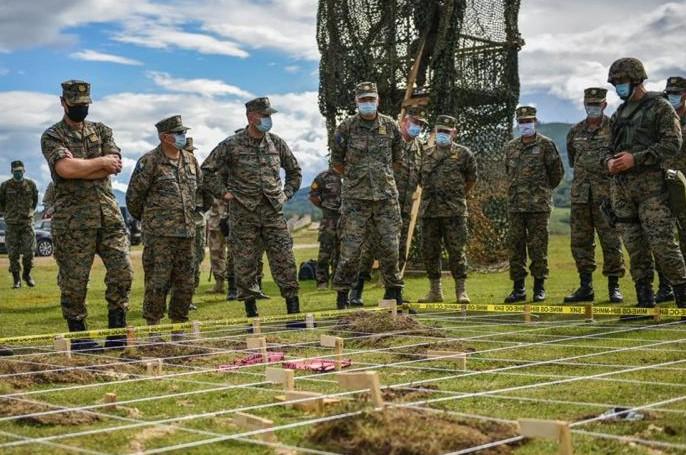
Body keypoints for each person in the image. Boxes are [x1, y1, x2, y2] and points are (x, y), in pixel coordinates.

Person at [40, 80, 133, 351]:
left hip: (109, 216)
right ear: (63, 102)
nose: (81, 109)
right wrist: (98, 163)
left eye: (85, 105)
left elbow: (113, 165)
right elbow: (65, 169)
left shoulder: (102, 130)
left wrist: (89, 166)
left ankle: (116, 330)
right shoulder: (52, 135)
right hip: (73, 221)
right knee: (74, 281)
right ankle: (80, 336)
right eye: (76, 105)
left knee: (123, 272)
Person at [202, 97, 302, 317]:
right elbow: (206, 171)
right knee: (245, 264)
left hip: (273, 212)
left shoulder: (277, 143)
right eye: (264, 115)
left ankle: (294, 313)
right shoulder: (231, 144)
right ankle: (251, 314)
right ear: (250, 116)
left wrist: (286, 194)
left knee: (285, 260)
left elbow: (294, 171)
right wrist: (223, 193)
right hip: (243, 213)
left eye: (269, 116)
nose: (268, 119)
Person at [606, 58, 686, 309]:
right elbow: (608, 148)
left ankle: (683, 301)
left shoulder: (659, 107)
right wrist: (609, 162)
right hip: (623, 191)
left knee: (663, 245)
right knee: (635, 248)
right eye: (615, 82)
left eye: (622, 81)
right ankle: (644, 301)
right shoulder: (618, 114)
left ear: (637, 80)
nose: (619, 86)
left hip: (653, 191)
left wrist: (636, 159)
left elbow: (672, 143)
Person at [331, 82, 405, 309]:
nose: (367, 103)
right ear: (356, 102)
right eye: (363, 100)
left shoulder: (390, 126)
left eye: (370, 99)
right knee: (350, 251)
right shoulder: (346, 128)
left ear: (378, 100)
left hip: (385, 199)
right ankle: (343, 296)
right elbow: (336, 163)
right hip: (356, 200)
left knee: (390, 248)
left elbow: (397, 160)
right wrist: (357, 179)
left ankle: (394, 295)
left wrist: (381, 179)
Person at [126, 115, 202, 335]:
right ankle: (154, 330)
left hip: (187, 233)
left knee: (186, 282)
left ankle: (179, 328)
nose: (182, 137)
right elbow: (133, 197)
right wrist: (151, 220)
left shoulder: (190, 160)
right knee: (158, 282)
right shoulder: (149, 161)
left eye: (183, 133)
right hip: (159, 235)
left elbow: (201, 190)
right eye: (178, 133)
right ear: (164, 137)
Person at [350, 106, 427, 306]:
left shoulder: (419, 148)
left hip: (402, 209)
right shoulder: (389, 141)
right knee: (368, 248)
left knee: (398, 250)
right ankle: (356, 291)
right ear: (403, 121)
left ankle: (392, 292)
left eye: (420, 125)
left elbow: (421, 177)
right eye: (415, 122)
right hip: (380, 205)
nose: (417, 127)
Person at [564, 88, 625, 304]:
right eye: (589, 103)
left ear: (604, 105)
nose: (592, 107)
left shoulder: (614, 128)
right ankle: (585, 286)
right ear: (583, 104)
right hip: (580, 196)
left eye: (596, 104)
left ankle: (614, 287)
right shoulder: (574, 131)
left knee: (611, 240)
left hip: (607, 196)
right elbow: (573, 160)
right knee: (580, 242)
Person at [503, 106, 564, 303]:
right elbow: (508, 173)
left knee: (538, 248)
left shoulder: (546, 145)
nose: (525, 125)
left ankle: (539, 287)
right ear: (517, 123)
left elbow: (557, 173)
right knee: (516, 247)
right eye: (521, 122)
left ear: (535, 121)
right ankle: (518, 288)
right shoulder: (511, 147)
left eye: (528, 121)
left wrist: (541, 191)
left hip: (538, 207)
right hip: (516, 207)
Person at [417, 115, 477, 303]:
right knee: (430, 251)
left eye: (446, 131)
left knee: (456, 251)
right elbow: (419, 180)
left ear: (454, 133)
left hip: (454, 212)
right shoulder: (425, 154)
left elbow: (471, 179)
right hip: (430, 212)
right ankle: (435, 291)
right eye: (439, 131)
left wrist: (455, 196)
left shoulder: (464, 154)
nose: (442, 134)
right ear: (435, 132)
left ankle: (461, 291)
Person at [653, 76, 686, 303]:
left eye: (677, 92)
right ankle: (665, 286)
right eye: (669, 93)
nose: (672, 96)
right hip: (662, 185)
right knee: (662, 238)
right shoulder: (660, 119)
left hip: (685, 188)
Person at [0, 160, 38, 288]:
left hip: (27, 223)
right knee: (12, 253)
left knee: (29, 251)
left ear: (24, 171)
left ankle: (26, 274)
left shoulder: (30, 185)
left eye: (20, 171)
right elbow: (1, 203)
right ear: (11, 171)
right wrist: (8, 214)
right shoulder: (4, 186)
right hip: (11, 224)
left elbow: (35, 201)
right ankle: (16, 280)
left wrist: (29, 212)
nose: (18, 173)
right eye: (16, 171)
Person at [309, 165, 342, 290]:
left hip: (345, 219)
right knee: (325, 252)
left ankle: (337, 280)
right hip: (329, 219)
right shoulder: (323, 177)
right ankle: (322, 282)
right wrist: (325, 207)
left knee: (341, 252)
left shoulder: (350, 175)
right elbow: (313, 196)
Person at [207, 198, 229, 294]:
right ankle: (219, 283)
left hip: (234, 213)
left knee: (239, 251)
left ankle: (237, 284)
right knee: (216, 251)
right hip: (216, 217)